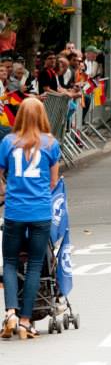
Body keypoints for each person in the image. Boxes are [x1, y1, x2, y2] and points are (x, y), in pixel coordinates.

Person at [0, 98, 61, 340]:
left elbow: (1, 174)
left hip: (14, 211)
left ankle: (10, 312)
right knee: (35, 264)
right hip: (40, 211)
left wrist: (8, 189)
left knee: (11, 263)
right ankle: (26, 321)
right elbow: (54, 182)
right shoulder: (50, 144)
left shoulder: (8, 142)